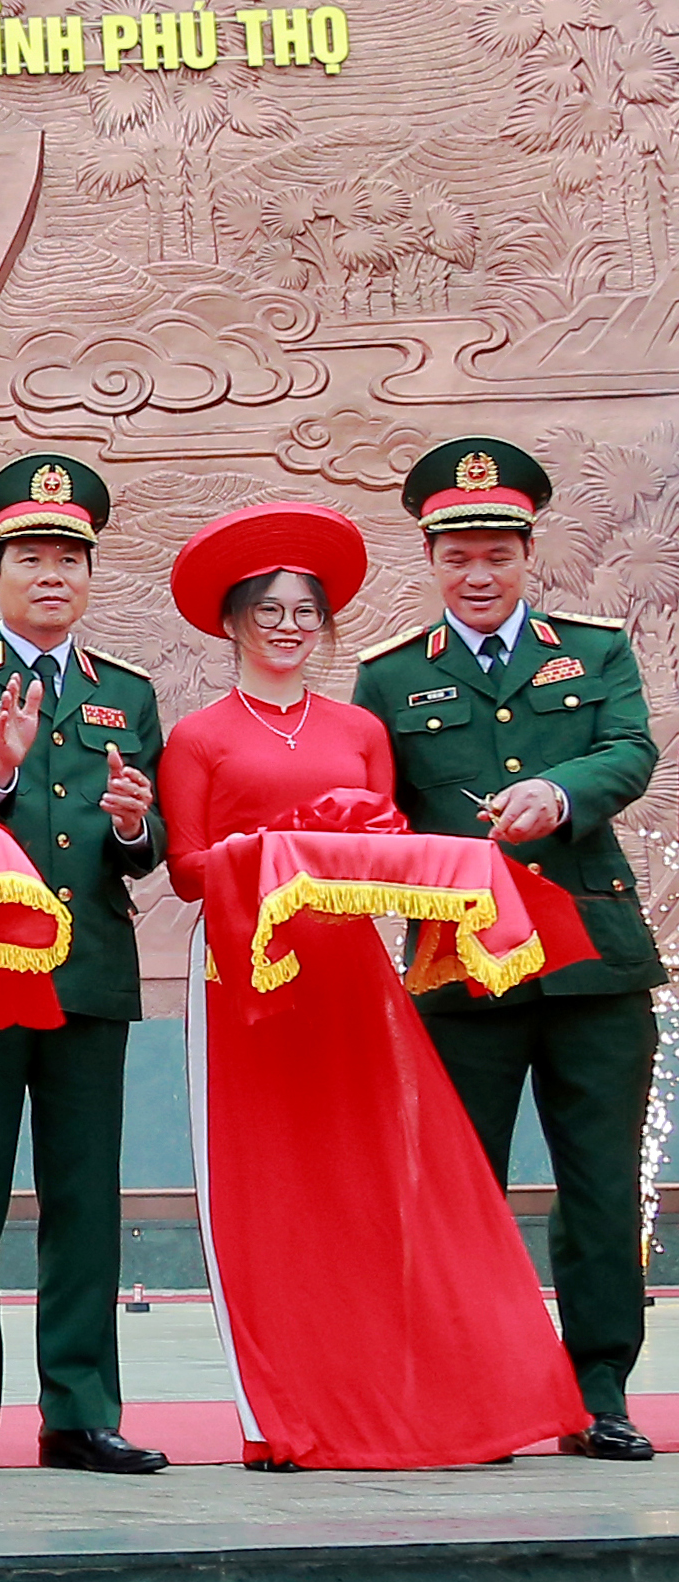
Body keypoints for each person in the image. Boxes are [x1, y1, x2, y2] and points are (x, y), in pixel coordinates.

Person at [161, 501, 587, 1470]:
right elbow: (187, 867)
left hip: (352, 968)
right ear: (231, 620)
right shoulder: (198, 735)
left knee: (380, 1175)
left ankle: (437, 1391)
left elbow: (388, 846)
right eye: (267, 608)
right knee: (266, 1184)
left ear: (325, 624)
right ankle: (283, 1409)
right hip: (246, 970)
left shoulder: (358, 726)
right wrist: (284, 848)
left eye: (304, 609)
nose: (287, 624)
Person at [352, 436, 663, 1460]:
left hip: (591, 959)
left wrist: (559, 792)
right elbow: (369, 810)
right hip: (460, 969)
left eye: (497, 554)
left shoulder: (595, 648)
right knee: (458, 1184)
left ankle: (599, 1385)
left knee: (600, 1182)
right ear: (431, 560)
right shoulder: (390, 675)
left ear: (528, 552)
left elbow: (630, 748)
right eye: (457, 556)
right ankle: (475, 1386)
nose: (478, 575)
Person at [0, 457, 167, 1480]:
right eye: (31, 558)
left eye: (69, 559)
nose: (51, 575)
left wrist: (140, 827)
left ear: (90, 575)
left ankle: (82, 1409)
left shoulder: (127, 692)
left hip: (90, 968)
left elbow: (150, 843)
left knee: (86, 1196)